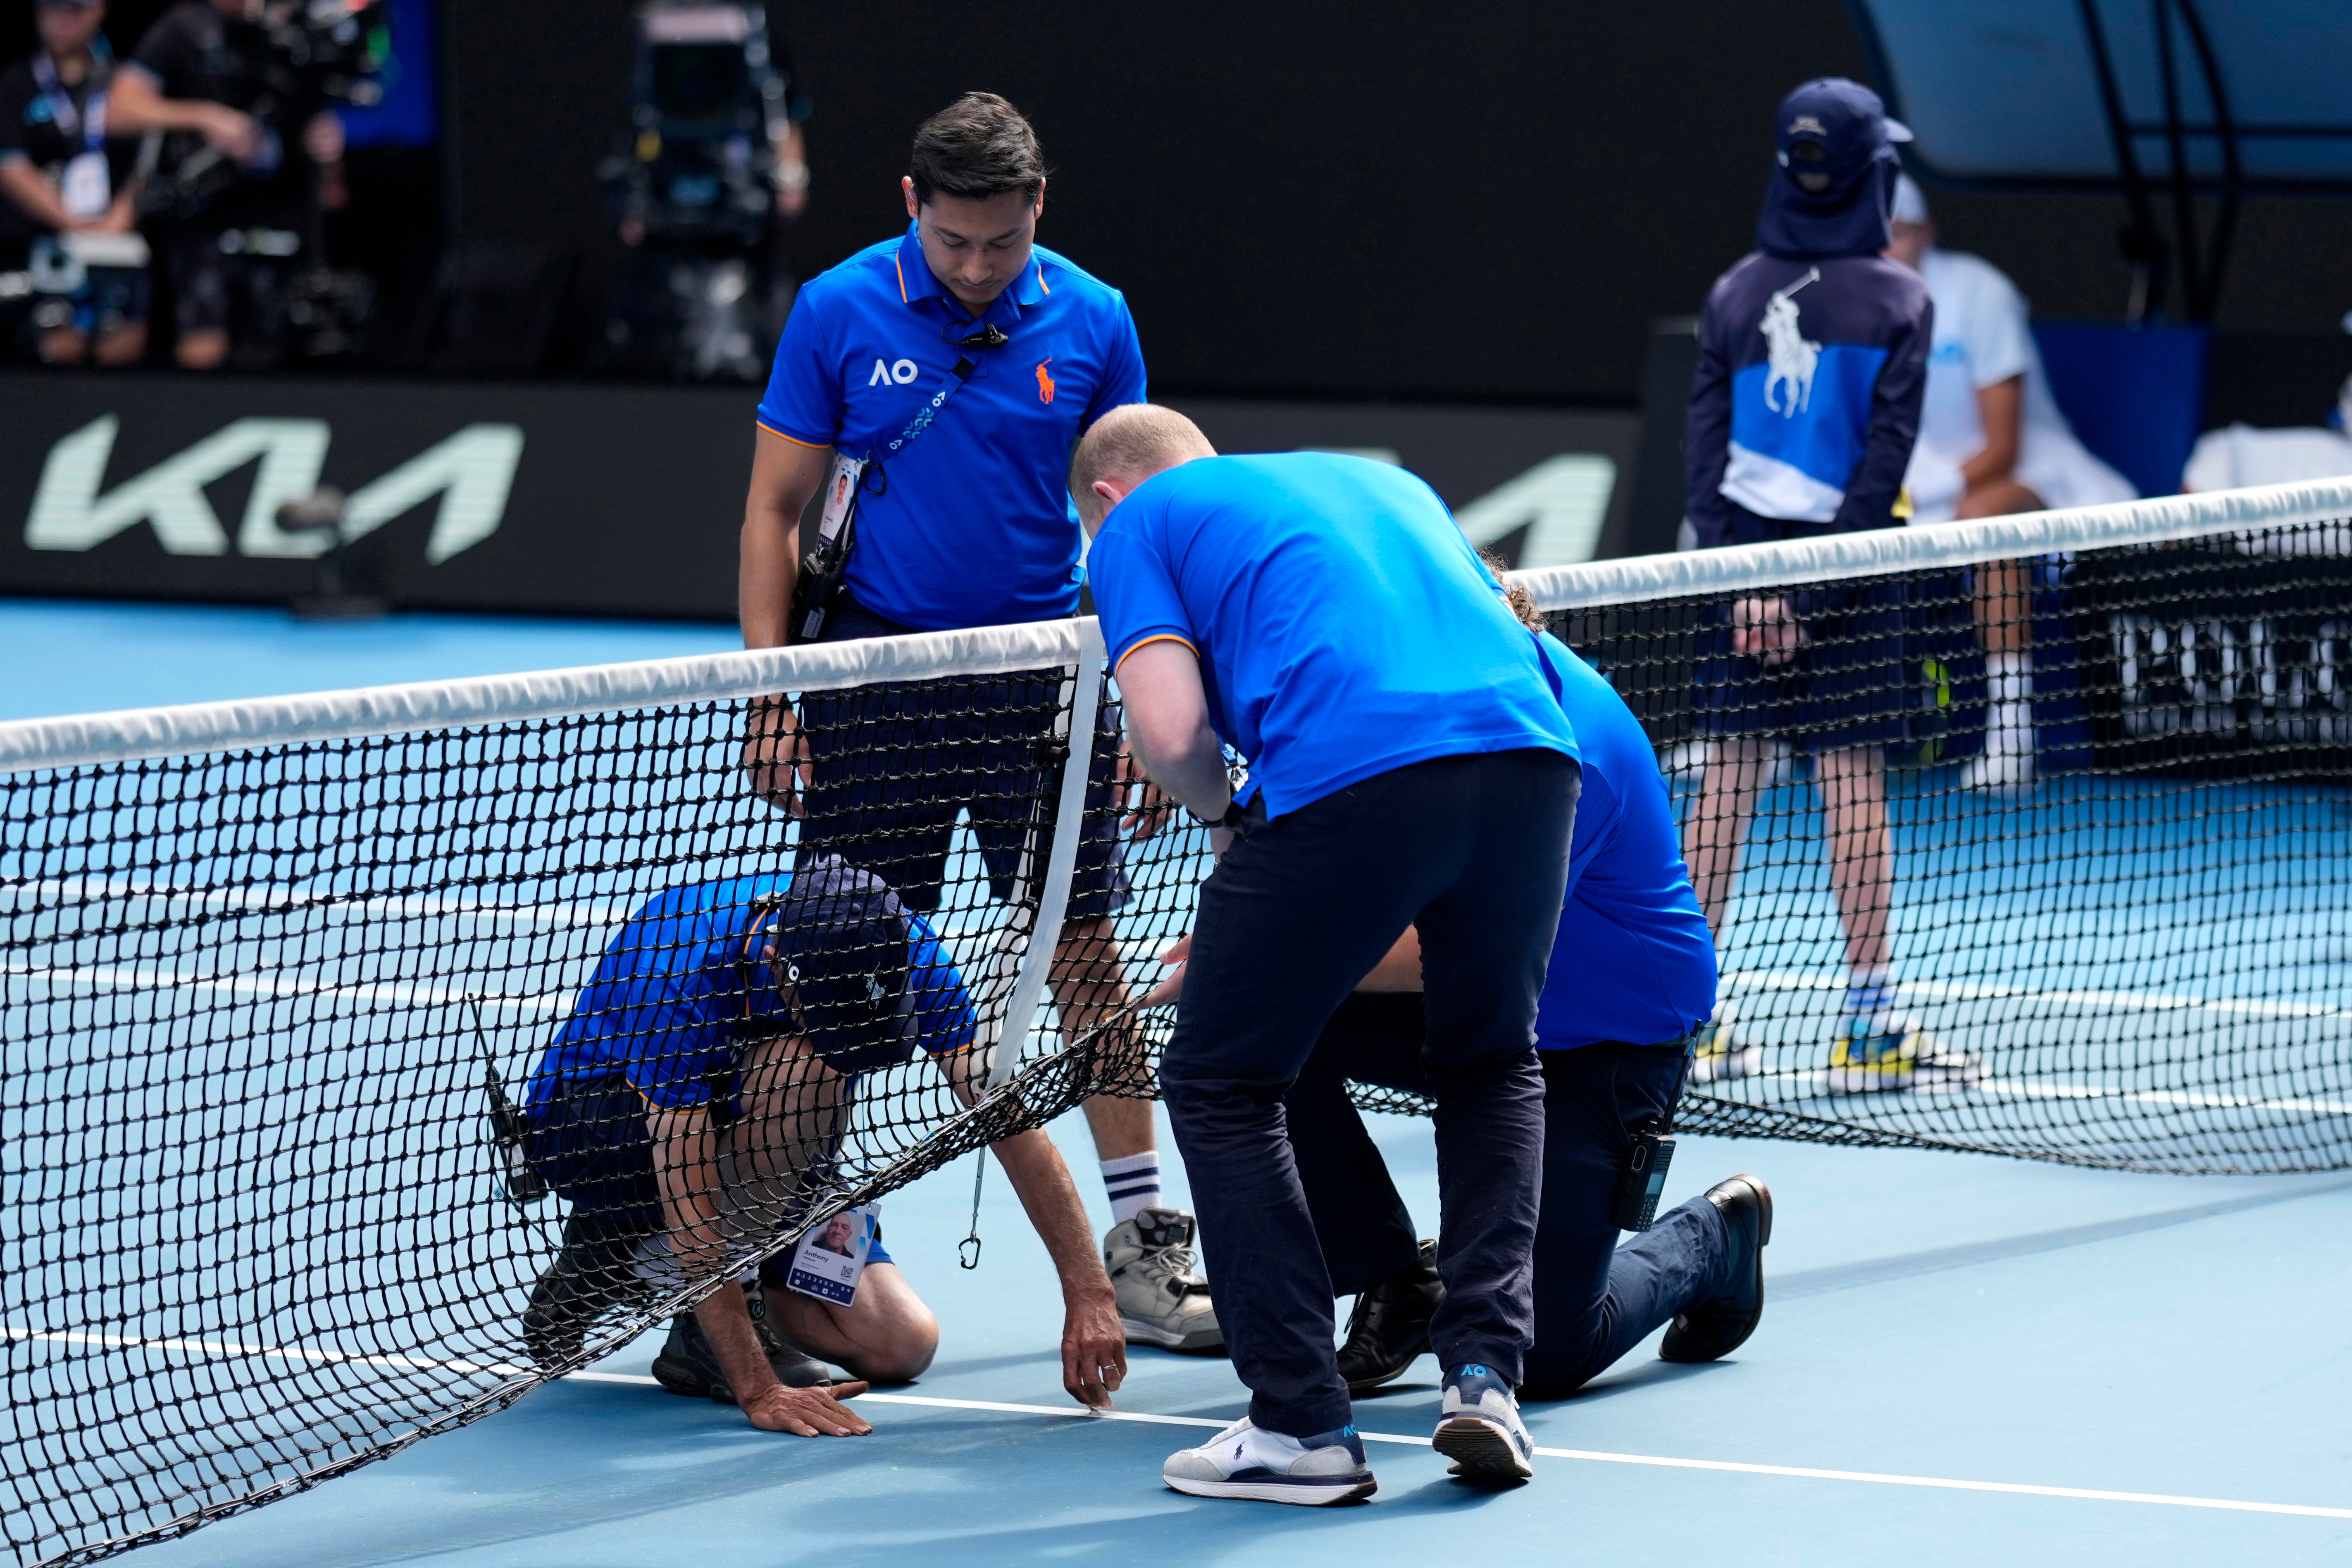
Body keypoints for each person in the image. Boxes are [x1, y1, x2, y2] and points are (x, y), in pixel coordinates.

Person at [738, 92, 1218, 1353]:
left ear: (1035, 210)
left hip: (1041, 685)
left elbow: (1134, 524)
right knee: (838, 964)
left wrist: (1147, 698)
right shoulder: (840, 308)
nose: (974, 267)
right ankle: (780, 1241)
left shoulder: (1096, 319)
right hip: (878, 676)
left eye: (999, 244)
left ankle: (1145, 1243)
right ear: (913, 207)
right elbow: (773, 511)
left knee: (1086, 953)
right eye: (952, 242)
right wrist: (774, 687)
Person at [1075, 404, 1583, 1501]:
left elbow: (1170, 742)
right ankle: (1486, 1374)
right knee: (1492, 1060)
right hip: (1536, 764)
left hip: (1359, 776)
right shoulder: (1378, 483)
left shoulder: (1130, 527)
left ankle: (1301, 1424)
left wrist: (1228, 821)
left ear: (1103, 499)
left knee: (1218, 1078)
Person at [1278, 575, 1770, 1402]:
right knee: (1260, 1030)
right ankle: (1395, 1277)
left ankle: (1714, 1237)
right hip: (1488, 1010)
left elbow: (1471, 944)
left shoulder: (1565, 754)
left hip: (1607, 1043)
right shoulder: (1438, 704)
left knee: (1541, 1355)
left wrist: (1275, 952)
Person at [519, 857, 1127, 1438]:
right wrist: (758, 1389)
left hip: (766, 1142)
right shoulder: (677, 971)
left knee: (899, 1343)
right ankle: (648, 1263)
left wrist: (1089, 1290)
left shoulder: (902, 944)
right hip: (602, 1135)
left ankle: (626, 1264)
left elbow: (1005, 1118)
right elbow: (688, 1187)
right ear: (776, 959)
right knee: (808, 1065)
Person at [1683, 78, 1973, 1095]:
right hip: (1850, 570)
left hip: (1744, 570)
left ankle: (1688, 1021)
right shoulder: (1903, 298)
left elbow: (1703, 459)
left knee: (1728, 777)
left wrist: (1742, 590)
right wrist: (1808, 602)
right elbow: (1883, 466)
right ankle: (1869, 1027)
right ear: (1872, 175)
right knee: (1851, 778)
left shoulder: (1730, 293)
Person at [1886, 174, 2136, 791]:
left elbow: (2003, 446)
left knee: (1984, 518)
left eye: (1895, 233)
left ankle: (2010, 734)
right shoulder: (1837, 303)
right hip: (1905, 489)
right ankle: (1758, 733)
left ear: (1924, 234)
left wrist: (1920, 496)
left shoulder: (1978, 292)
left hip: (2026, 475)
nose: (1881, 247)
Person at [107, 0, 348, 369]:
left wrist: (323, 144)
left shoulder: (298, 31)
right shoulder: (185, 27)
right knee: (204, 345)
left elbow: (313, 119)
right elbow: (119, 111)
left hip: (276, 210)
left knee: (271, 346)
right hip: (202, 214)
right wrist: (206, 117)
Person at [0, 0, 148, 366]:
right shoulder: (17, 82)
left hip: (116, 244)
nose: (64, 20)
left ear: (99, 11)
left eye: (77, 8)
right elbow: (11, 167)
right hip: (42, 244)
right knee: (60, 345)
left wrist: (120, 216)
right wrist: (76, 224)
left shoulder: (124, 81)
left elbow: (148, 158)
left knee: (124, 346)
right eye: (54, 8)